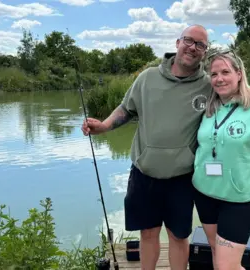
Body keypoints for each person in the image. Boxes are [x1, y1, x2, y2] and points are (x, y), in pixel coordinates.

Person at [81, 25, 212, 270]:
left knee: (179, 237)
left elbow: (233, 107)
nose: (193, 48)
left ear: (205, 52)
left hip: (183, 178)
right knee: (148, 234)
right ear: (177, 43)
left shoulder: (208, 85)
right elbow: (126, 109)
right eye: (189, 41)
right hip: (144, 173)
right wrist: (104, 126)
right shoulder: (148, 77)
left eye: (200, 45)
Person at [191, 50, 250, 270]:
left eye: (225, 72)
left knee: (226, 265)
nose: (219, 78)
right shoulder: (210, 106)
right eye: (214, 74)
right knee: (216, 252)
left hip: (239, 199)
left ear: (239, 74)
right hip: (205, 193)